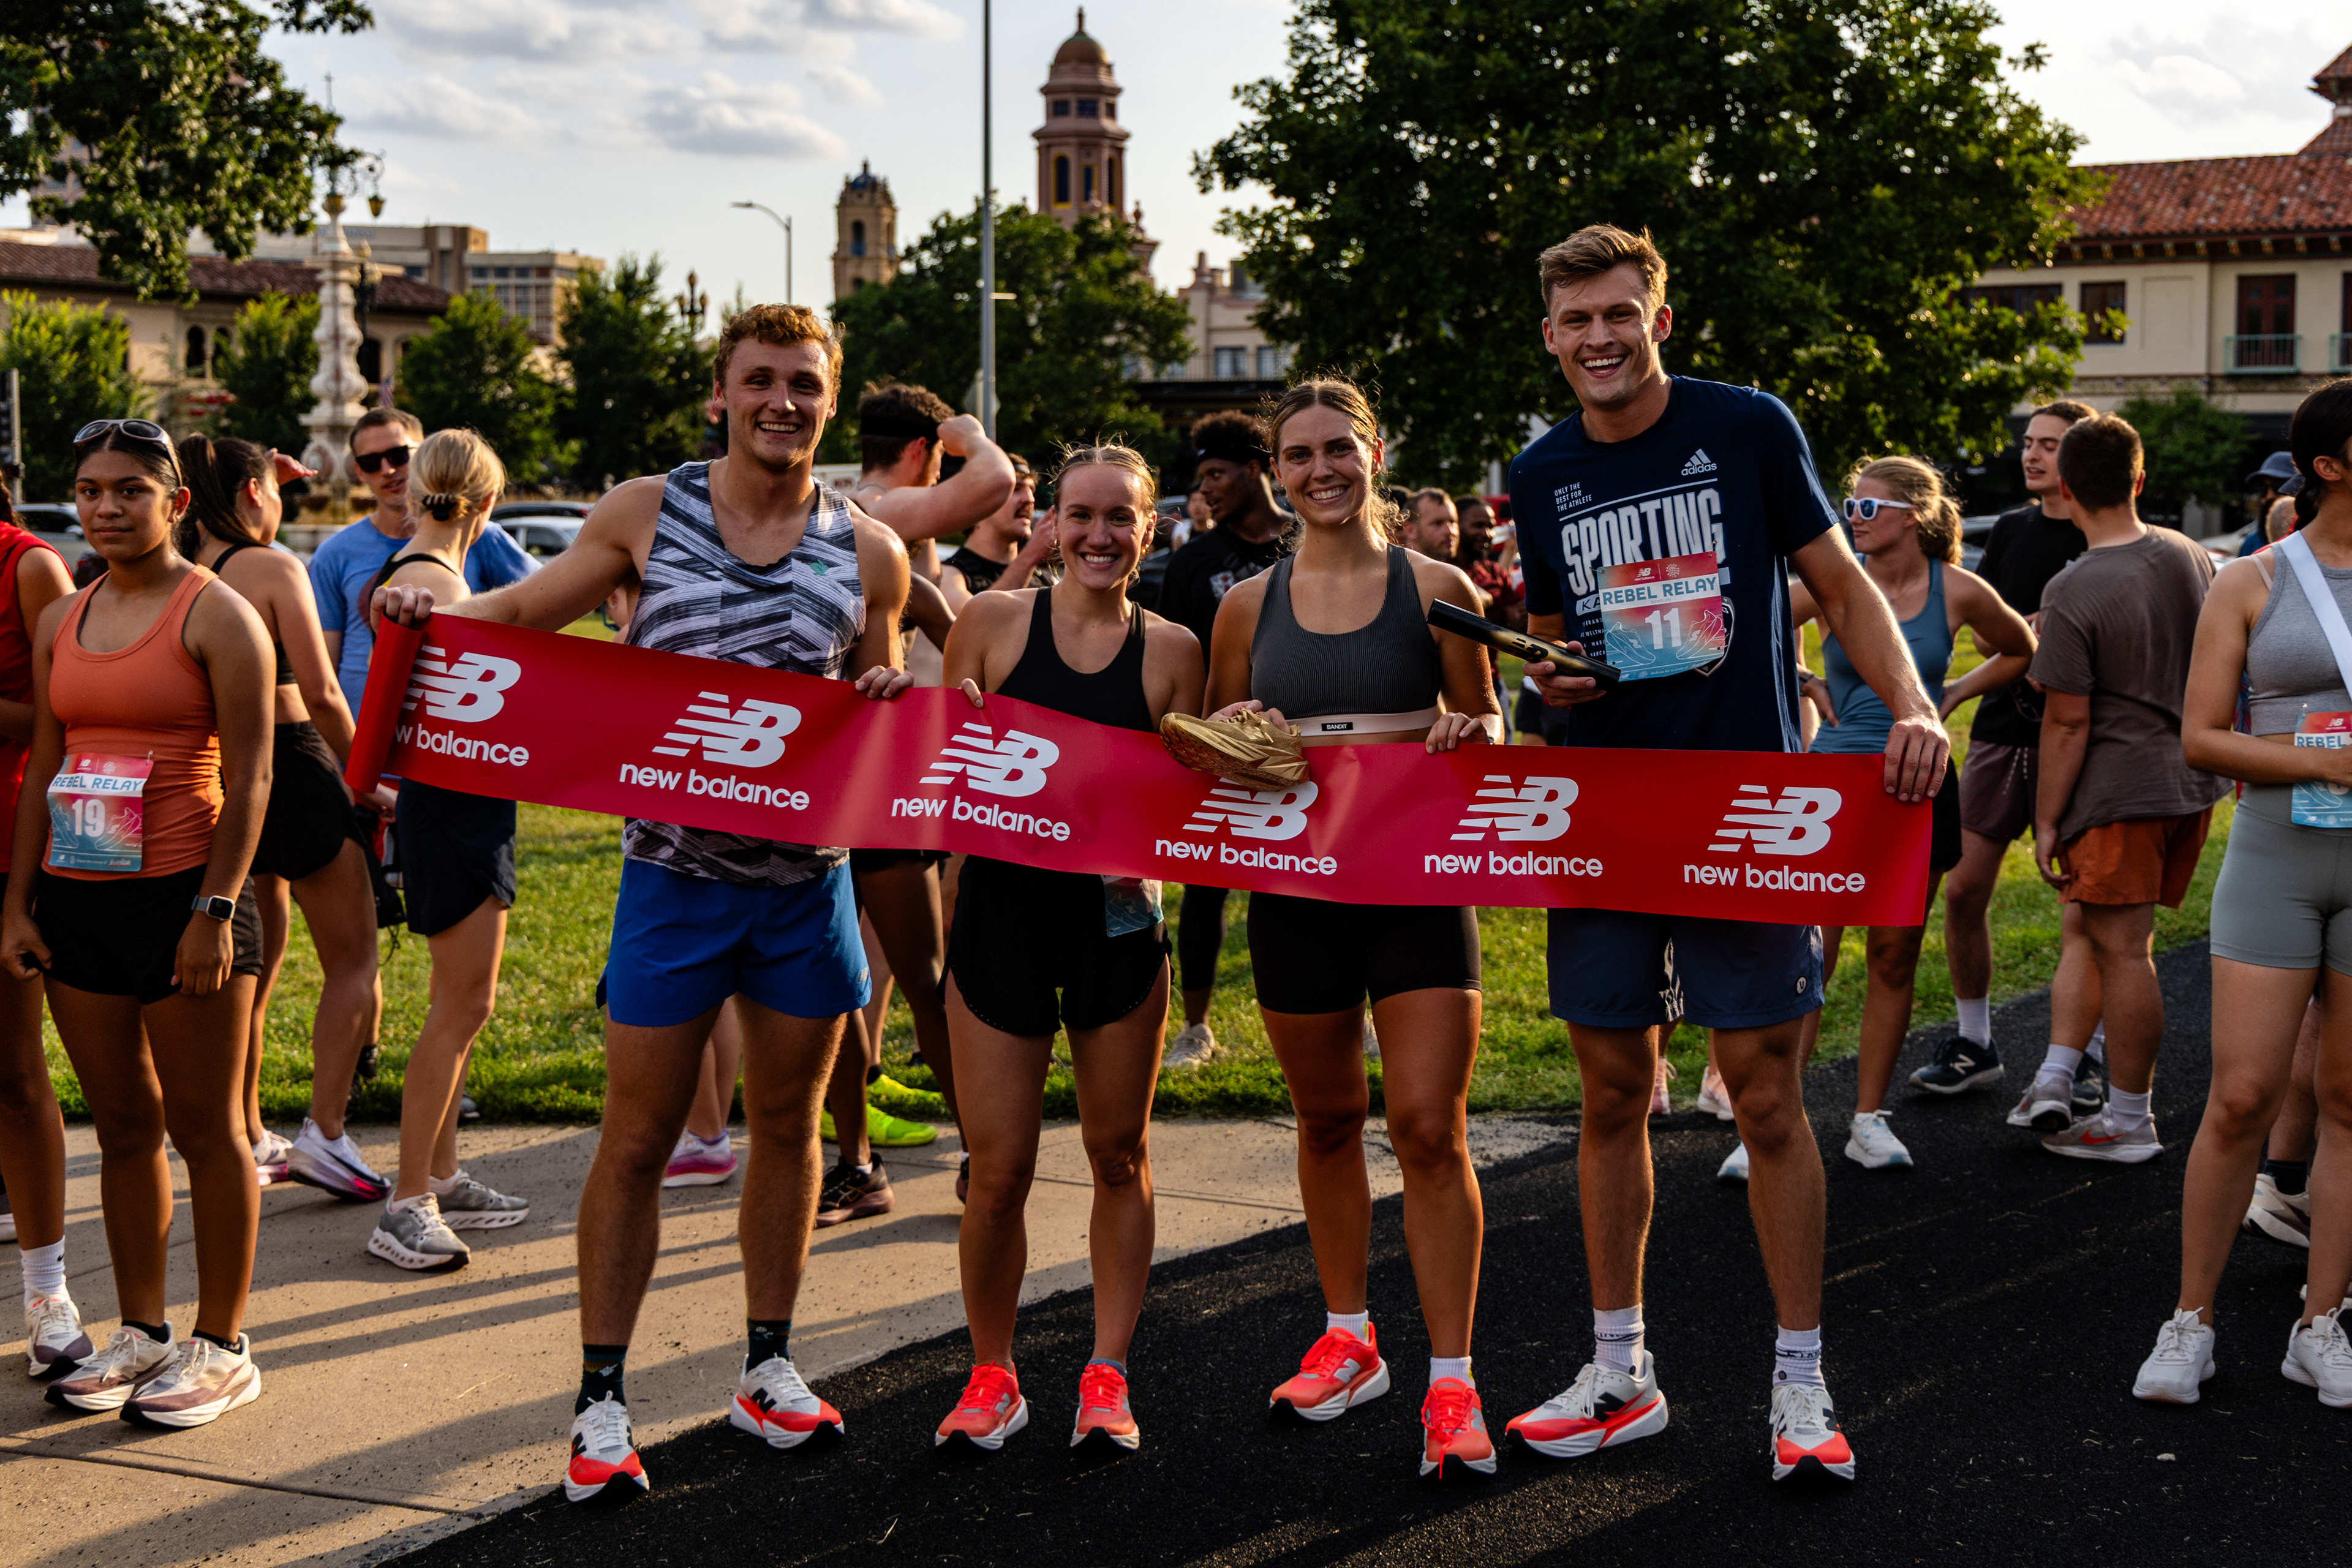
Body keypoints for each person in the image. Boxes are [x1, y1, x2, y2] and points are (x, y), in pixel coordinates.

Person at [372, 304, 914, 1503]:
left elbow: (875, 679)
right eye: (760, 380)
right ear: (723, 394)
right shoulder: (646, 510)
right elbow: (525, 612)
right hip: (674, 878)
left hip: (807, 884)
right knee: (636, 1140)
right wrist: (433, 613)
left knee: (791, 1128)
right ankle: (602, 1399)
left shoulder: (870, 548)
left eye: (804, 384)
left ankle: (767, 1366)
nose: (782, 402)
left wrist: (886, 687)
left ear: (829, 401)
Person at [1507, 225, 1947, 1484]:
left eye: (1619, 313)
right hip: (1608, 819)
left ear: (1658, 317)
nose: (1600, 337)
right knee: (1611, 1092)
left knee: (1763, 1093)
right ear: (1552, 337)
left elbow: (1843, 586)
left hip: (1743, 810)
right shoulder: (1539, 472)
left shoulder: (1747, 425)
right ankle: (1619, 1372)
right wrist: (1554, 687)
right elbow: (1554, 648)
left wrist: (1914, 705)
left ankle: (1801, 1381)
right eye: (1577, 319)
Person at [1205, 377, 1505, 1479]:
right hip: (1297, 895)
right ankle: (1348, 1340)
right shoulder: (1246, 606)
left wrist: (1472, 731)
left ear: (1375, 454)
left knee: (1428, 1127)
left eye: (1339, 448)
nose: (1320, 470)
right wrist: (1236, 732)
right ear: (1277, 472)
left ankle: (1453, 1382)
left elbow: (1488, 724)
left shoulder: (1440, 587)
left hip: (1417, 887)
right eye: (1299, 455)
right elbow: (1214, 747)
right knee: (1328, 1121)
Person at [930, 443, 1205, 1452]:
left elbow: (1191, 803)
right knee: (997, 1171)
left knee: (1118, 1157)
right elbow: (940, 778)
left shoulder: (1174, 652)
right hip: (1000, 921)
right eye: (1079, 515)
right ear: (1051, 523)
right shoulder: (992, 625)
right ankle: (993, 1375)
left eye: (1119, 517)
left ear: (1147, 528)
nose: (1098, 535)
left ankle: (1106, 1373)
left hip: (1117, 927)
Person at [7, 418, 273, 1426]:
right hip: (80, 895)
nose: (106, 508)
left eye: (129, 490)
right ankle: (146, 1331)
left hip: (185, 896)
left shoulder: (219, 615)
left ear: (176, 501)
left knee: (208, 1129)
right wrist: (19, 904)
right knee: (122, 1125)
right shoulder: (62, 620)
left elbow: (252, 776)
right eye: (90, 491)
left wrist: (214, 909)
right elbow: (45, 766)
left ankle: (224, 1344)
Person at [2138, 378, 2352, 1404]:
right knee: (2238, 1098)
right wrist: (2319, 764)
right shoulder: (2253, 579)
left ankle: (2321, 1322)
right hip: (2277, 853)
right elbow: (2200, 736)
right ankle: (2191, 1321)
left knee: (2348, 1102)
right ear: (2330, 465)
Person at [1788, 458, 2034, 1171]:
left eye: (1868, 508)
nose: (1853, 519)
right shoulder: (1832, 583)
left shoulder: (1957, 588)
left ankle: (1868, 1119)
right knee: (1809, 958)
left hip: (1917, 782)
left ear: (1914, 516)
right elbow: (1741, 631)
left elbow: (2020, 647)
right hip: (1834, 786)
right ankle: (1776, 1120)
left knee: (1893, 956)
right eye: (1850, 506)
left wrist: (1948, 696)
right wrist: (1806, 680)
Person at [175, 435, 387, 1205]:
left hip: (225, 776)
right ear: (254, 493)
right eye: (274, 487)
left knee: (253, 972)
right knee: (355, 961)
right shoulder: (272, 567)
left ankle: (249, 1130)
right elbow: (325, 694)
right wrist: (368, 781)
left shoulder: (186, 571)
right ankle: (326, 1134)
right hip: (294, 768)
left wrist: (266, 476)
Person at [2019, 415, 2227, 1159]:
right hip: (2189, 784)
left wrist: (2046, 820)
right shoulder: (2191, 554)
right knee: (2111, 939)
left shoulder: (2074, 586)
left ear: (2067, 489)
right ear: (2140, 479)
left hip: (2119, 794)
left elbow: (2066, 722)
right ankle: (2064, 1081)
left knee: (2125, 953)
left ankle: (2130, 1120)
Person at [361, 430, 533, 1271]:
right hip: (456, 809)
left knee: (457, 1000)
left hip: (450, 805)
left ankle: (439, 1174)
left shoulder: (414, 574)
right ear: (488, 504)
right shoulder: (437, 583)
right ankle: (407, 1202)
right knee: (463, 1006)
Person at [1914, 400, 2095, 1098]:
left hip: (2080, 735)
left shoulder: (2100, 530)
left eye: (2050, 444)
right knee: (1963, 890)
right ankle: (1975, 1041)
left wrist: (2056, 629)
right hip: (2001, 728)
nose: (2033, 455)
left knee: (2087, 904)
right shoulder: (2015, 529)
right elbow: (1987, 631)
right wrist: (2020, 638)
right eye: (2029, 443)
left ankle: (2086, 1056)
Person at [1158, 412, 1294, 1071]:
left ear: (1256, 469)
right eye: (1201, 476)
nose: (1206, 488)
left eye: (1217, 473)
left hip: (1299, 746)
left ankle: (1348, 1011)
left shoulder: (1306, 541)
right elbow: (1175, 650)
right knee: (1204, 887)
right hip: (1217, 743)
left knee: (1308, 882)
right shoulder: (1195, 561)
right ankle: (1196, 1027)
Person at [0, 473, 80, 1378]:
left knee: (16, 1077)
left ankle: (47, 1293)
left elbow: (65, 721)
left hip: (8, 849)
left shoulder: (28, 566)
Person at [307, 407, 539, 716]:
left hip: (387, 730)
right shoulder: (440, 582)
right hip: (396, 733)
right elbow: (447, 706)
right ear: (489, 499)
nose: (388, 469)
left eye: (398, 455)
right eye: (371, 462)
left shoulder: (407, 559)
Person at [940, 454, 1054, 609]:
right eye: (1016, 489)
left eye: (1031, 489)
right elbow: (974, 621)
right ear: (979, 504)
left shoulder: (1045, 582)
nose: (1030, 499)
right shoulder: (949, 577)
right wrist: (1030, 556)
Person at [1403, 489, 1460, 563]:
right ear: (1410, 530)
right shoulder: (1393, 569)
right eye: (1438, 523)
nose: (1449, 531)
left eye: (1453, 522)